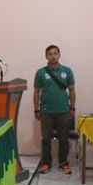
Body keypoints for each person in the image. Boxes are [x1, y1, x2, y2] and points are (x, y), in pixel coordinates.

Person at [33, 45, 76, 175]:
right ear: (46, 56)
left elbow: (72, 90)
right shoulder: (40, 73)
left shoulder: (67, 71)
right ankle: (46, 163)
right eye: (50, 54)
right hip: (46, 111)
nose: (53, 56)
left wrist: (72, 107)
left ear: (59, 55)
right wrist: (36, 110)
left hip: (63, 111)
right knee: (46, 139)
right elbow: (36, 92)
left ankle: (64, 163)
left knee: (63, 139)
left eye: (55, 53)